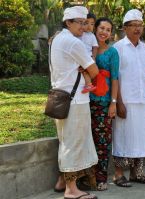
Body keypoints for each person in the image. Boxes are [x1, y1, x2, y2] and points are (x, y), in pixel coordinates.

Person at [51, 6, 99, 199]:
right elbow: (94, 71)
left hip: (60, 98)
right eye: (79, 22)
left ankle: (62, 181)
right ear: (68, 23)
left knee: (65, 140)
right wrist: (87, 70)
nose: (83, 26)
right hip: (76, 100)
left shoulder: (57, 39)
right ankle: (71, 190)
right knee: (74, 142)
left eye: (84, 21)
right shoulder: (73, 43)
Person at [112, 9, 145, 187]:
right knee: (122, 137)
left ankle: (137, 174)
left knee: (141, 138)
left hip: (141, 101)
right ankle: (118, 175)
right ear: (125, 28)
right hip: (125, 102)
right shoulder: (118, 48)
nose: (137, 29)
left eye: (140, 25)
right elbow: (115, 77)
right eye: (133, 26)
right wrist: (118, 102)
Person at [90, 17, 119, 191]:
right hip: (86, 101)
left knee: (102, 141)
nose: (104, 32)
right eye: (102, 28)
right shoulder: (87, 48)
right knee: (88, 141)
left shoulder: (112, 52)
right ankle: (87, 177)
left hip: (104, 102)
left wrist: (113, 103)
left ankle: (101, 178)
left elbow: (115, 79)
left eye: (108, 29)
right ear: (95, 29)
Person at [80, 12, 98, 94]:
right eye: (86, 23)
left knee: (85, 72)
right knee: (82, 70)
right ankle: (88, 84)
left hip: (88, 57)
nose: (89, 26)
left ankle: (89, 85)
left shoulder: (92, 36)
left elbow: (95, 47)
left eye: (92, 24)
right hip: (80, 56)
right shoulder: (79, 34)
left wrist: (93, 57)